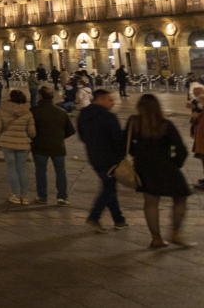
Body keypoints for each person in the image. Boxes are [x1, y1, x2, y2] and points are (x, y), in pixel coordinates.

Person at [127, 95, 193, 247]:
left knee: (150, 202)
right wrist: (175, 165)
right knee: (181, 197)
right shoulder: (166, 124)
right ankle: (175, 234)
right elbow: (181, 149)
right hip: (166, 166)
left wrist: (138, 156)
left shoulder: (134, 123)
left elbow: (126, 144)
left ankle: (156, 238)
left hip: (144, 167)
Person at [78, 89, 128, 233]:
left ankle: (119, 220)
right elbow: (118, 141)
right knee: (108, 188)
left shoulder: (83, 114)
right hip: (109, 159)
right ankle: (94, 217)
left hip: (93, 157)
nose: (112, 102)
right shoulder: (109, 117)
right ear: (99, 99)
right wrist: (121, 156)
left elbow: (82, 137)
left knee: (109, 187)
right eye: (109, 99)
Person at [31, 86, 76, 205]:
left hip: (39, 146)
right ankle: (62, 197)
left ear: (40, 96)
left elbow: (30, 130)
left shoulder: (33, 111)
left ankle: (42, 196)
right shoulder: (61, 111)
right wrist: (60, 137)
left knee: (40, 172)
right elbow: (71, 130)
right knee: (60, 172)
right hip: (58, 146)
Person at [0, 89, 36, 204]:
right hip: (23, 144)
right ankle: (24, 196)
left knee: (11, 169)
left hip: (7, 143)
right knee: (22, 168)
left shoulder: (2, 109)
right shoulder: (28, 112)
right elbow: (32, 132)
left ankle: (15, 195)